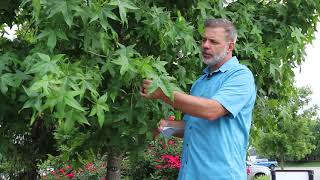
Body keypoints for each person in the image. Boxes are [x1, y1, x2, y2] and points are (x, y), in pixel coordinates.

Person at [140, 18, 256, 180]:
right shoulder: (200, 82)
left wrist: (163, 93)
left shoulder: (240, 76)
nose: (205, 45)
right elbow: (193, 126)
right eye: (204, 39)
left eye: (213, 41)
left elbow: (212, 110)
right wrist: (166, 126)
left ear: (230, 46)